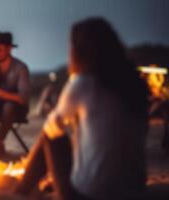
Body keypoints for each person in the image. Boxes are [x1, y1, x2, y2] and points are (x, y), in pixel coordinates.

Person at [14, 17, 150, 200]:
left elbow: (52, 127)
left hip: (88, 195)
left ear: (78, 50)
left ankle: (20, 192)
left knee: (51, 136)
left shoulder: (84, 84)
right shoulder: (137, 85)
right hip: (135, 190)